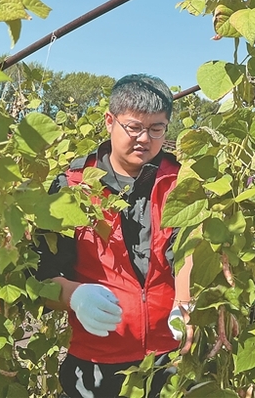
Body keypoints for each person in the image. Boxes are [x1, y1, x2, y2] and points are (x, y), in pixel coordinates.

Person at [33, 74, 192, 398]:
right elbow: (40, 276)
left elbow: (190, 253)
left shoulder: (181, 183)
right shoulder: (72, 187)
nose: (144, 139)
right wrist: (73, 296)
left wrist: (186, 303)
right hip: (95, 361)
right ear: (110, 121)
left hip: (169, 355)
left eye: (156, 129)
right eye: (133, 127)